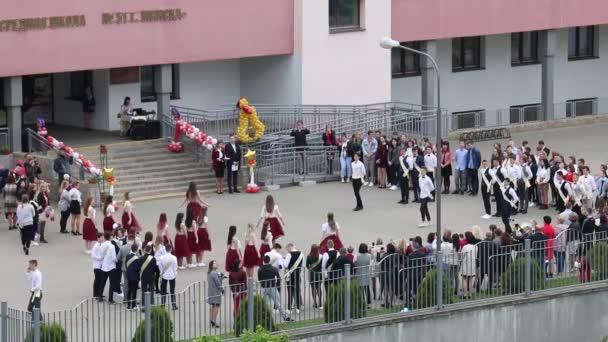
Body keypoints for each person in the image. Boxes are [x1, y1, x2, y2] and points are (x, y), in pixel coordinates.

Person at [258, 255, 292, 322]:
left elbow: (259, 279)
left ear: (263, 261)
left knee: (265, 304)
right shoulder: (273, 268)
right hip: (272, 287)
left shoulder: (260, 269)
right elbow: (279, 278)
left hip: (264, 288)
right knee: (278, 303)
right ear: (269, 260)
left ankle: (265, 319)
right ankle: (285, 317)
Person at [281, 243, 304, 312]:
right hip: (298, 274)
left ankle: (289, 308)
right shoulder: (301, 254)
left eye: (287, 249)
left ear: (289, 247)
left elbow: (285, 264)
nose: (288, 250)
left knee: (290, 291)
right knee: (297, 290)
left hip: (290, 275)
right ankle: (297, 308)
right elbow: (302, 265)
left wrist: (283, 260)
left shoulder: (289, 254)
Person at [159, 244, 179, 310]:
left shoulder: (161, 258)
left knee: (163, 291)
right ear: (170, 249)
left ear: (165, 249)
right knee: (172, 290)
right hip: (172, 275)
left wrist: (161, 273)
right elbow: (175, 267)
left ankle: (162, 305)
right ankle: (173, 305)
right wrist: (174, 273)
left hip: (164, 275)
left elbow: (160, 267)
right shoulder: (174, 257)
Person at [460, 233, 478, 299]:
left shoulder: (465, 247)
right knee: (470, 279)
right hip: (472, 263)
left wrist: (461, 260)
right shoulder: (476, 247)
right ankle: (470, 294)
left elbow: (462, 255)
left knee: (465, 279)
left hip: (466, 263)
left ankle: (465, 294)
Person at [207, 260, 224, 328]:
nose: (216, 264)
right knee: (217, 306)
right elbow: (218, 283)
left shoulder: (209, 273)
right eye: (214, 263)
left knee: (212, 306)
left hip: (211, 291)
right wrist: (222, 289)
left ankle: (211, 319)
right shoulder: (214, 273)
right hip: (216, 292)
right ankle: (214, 320)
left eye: (216, 263)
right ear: (211, 265)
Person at [306, 244, 323, 309]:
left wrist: (311, 268)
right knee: (319, 288)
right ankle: (320, 303)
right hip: (319, 273)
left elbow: (307, 266)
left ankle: (315, 303)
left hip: (312, 274)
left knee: (313, 288)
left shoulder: (308, 256)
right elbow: (322, 265)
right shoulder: (320, 256)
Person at [125, 243, 141, 309]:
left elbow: (126, 265)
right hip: (135, 276)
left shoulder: (128, 256)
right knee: (134, 291)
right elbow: (138, 268)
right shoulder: (137, 258)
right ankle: (133, 305)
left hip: (129, 275)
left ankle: (128, 305)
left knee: (129, 290)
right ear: (136, 250)